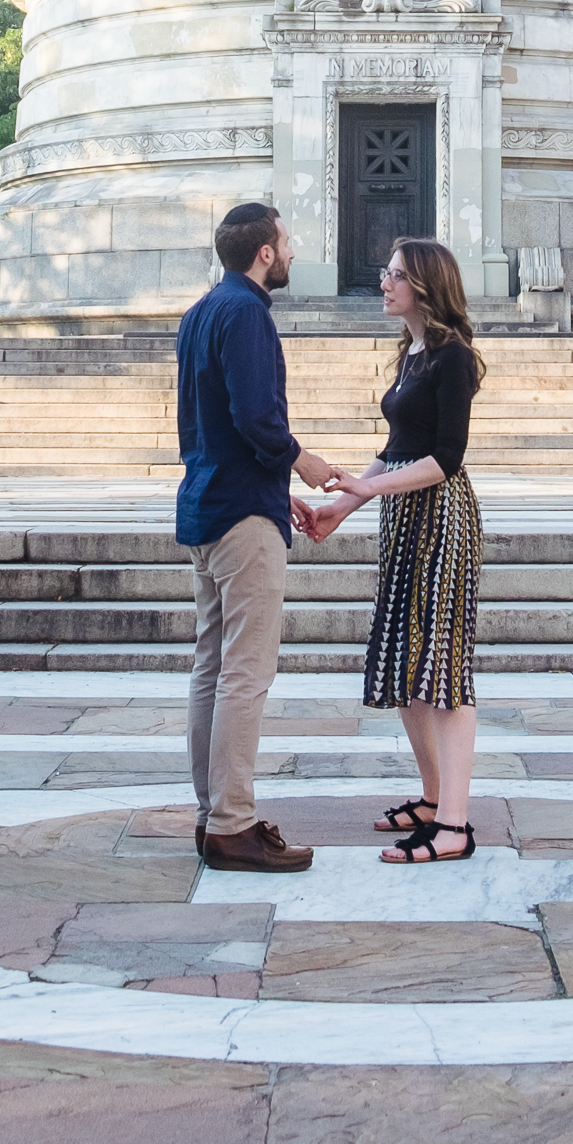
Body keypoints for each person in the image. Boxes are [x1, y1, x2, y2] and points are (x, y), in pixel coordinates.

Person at [294, 235, 484, 862]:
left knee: (442, 666)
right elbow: (397, 443)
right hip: (404, 515)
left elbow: (445, 458)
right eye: (385, 272)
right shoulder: (413, 354)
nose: (384, 282)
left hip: (442, 516)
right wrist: (340, 509)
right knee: (406, 664)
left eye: (397, 274)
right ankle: (432, 800)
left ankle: (453, 826)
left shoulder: (453, 358)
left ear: (427, 286)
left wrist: (368, 488)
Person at [178, 200, 341, 873]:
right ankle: (233, 823)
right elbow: (256, 418)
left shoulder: (202, 311)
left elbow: (215, 420)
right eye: (287, 240)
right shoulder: (246, 313)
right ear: (265, 252)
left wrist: (283, 489)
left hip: (208, 505)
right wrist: (304, 462)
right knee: (245, 672)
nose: (294, 250)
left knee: (212, 667)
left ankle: (213, 813)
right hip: (243, 514)